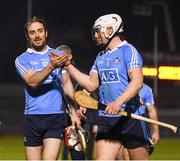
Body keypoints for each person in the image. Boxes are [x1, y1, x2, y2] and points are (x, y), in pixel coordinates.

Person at [63, 13, 152, 160]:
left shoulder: (129, 51)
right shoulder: (101, 56)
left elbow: (137, 82)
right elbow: (91, 84)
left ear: (110, 30)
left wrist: (119, 102)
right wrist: (68, 66)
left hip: (131, 116)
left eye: (98, 30)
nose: (96, 35)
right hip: (107, 118)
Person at [14, 17, 81, 160]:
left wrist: (73, 112)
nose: (37, 35)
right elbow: (32, 81)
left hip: (55, 117)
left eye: (40, 31)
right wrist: (51, 66)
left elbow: (67, 86)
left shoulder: (59, 55)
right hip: (32, 118)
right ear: (28, 36)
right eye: (32, 32)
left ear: (46, 33)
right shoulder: (22, 59)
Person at [56, 44, 85, 160]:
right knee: (57, 148)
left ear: (70, 56)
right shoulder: (55, 72)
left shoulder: (78, 73)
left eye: (62, 56)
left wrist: (82, 107)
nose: (59, 59)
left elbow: (86, 92)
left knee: (76, 149)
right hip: (58, 115)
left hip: (75, 115)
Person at [116, 83, 160, 160]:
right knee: (122, 155)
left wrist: (156, 131)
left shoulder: (146, 89)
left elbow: (151, 110)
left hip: (137, 125)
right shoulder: (119, 86)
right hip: (119, 123)